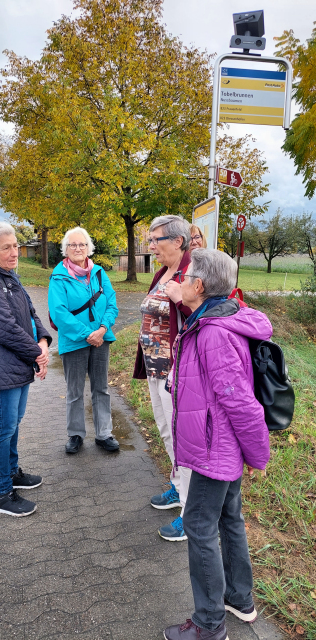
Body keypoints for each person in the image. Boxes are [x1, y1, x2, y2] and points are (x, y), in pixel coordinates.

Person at [163, 248, 271, 640]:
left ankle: (209, 625)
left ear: (199, 285)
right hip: (221, 444)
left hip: (216, 450)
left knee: (197, 523)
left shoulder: (212, 333)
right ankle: (239, 600)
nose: (182, 279)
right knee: (228, 519)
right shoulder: (210, 321)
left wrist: (258, 453)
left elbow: (240, 402)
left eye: (187, 274)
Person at [0, 222, 52, 517]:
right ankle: (2, 494)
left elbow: (30, 313)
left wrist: (42, 340)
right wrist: (37, 355)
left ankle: (13, 472)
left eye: (15, 245)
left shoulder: (10, 276)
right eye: (7, 247)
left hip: (17, 363)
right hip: (1, 366)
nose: (14, 251)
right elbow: (4, 328)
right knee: (3, 429)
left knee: (14, 423)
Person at [133, 214, 192, 541]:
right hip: (156, 368)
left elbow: (207, 315)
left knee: (182, 437)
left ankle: (191, 511)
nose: (151, 245)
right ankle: (177, 486)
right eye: (151, 239)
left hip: (178, 372)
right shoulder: (163, 271)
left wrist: (179, 298)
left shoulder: (193, 271)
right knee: (166, 430)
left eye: (157, 240)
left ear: (178, 241)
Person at [48, 226, 119, 454]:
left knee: (101, 388)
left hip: (101, 338)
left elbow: (111, 304)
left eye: (82, 244)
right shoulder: (59, 276)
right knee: (75, 391)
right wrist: (86, 334)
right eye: (73, 245)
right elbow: (58, 312)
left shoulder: (99, 273)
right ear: (65, 249)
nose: (78, 248)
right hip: (74, 341)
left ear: (89, 248)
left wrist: (101, 329)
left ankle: (104, 434)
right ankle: (76, 435)